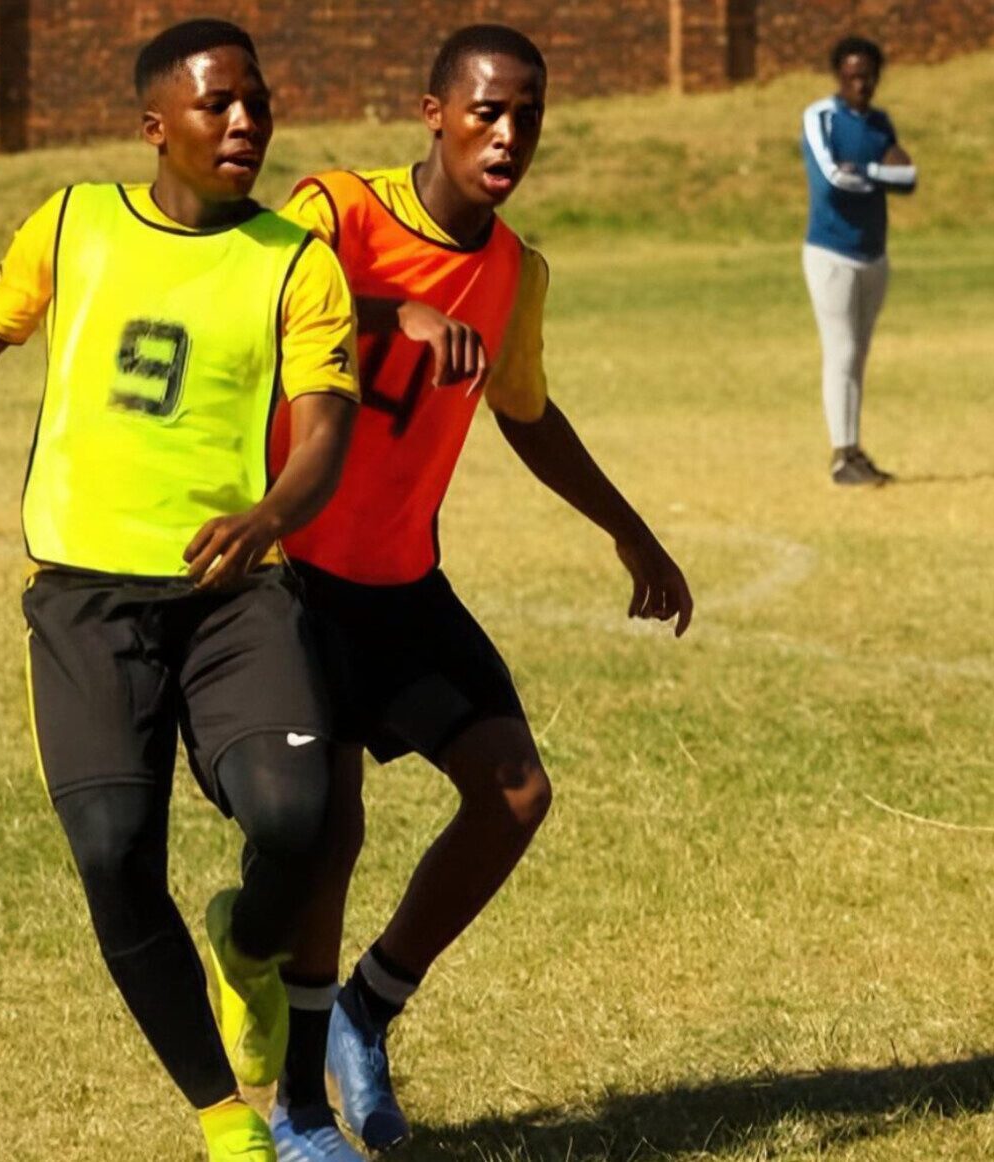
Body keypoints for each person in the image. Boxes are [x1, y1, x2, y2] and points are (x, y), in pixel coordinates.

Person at [0, 20, 359, 1161]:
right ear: (156, 125)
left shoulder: (297, 261)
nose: (247, 122)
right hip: (84, 602)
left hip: (234, 587)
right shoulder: (73, 224)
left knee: (299, 818)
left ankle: (247, 947)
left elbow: (325, 433)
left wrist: (270, 515)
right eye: (219, 105)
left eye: (257, 101)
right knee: (113, 848)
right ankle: (226, 1120)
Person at [262, 25, 693, 1159]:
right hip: (291, 573)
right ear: (434, 112)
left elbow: (528, 414)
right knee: (331, 825)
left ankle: (366, 1008)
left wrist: (631, 533)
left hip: (401, 581)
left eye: (528, 117)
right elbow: (254, 308)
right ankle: (299, 1103)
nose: (508, 136)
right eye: (488, 112)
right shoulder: (334, 211)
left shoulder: (513, 273)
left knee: (514, 794)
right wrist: (389, 312)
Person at [800, 35, 918, 487]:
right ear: (838, 78)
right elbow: (831, 178)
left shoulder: (880, 123)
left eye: (867, 76)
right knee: (841, 350)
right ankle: (840, 455)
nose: (860, 85)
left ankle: (855, 448)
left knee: (859, 354)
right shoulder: (821, 118)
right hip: (831, 251)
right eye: (852, 77)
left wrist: (867, 172)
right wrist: (880, 174)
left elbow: (908, 178)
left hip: (874, 252)